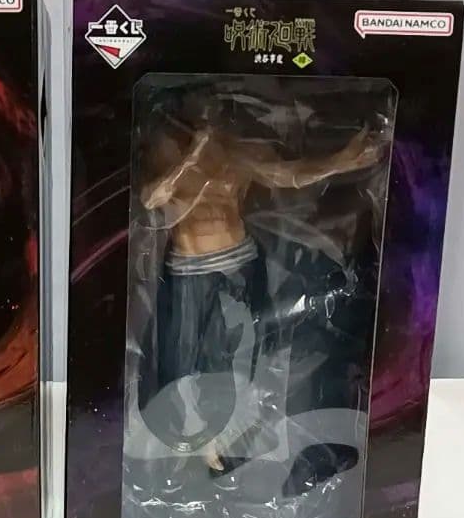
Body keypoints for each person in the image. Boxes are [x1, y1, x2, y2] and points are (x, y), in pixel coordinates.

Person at [137, 118, 384, 477]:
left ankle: (234, 430)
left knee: (243, 348)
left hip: (242, 262)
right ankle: (196, 434)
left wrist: (342, 161)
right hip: (191, 269)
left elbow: (288, 175)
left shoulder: (233, 156)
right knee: (186, 352)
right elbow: (152, 199)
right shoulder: (169, 156)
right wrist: (193, 156)